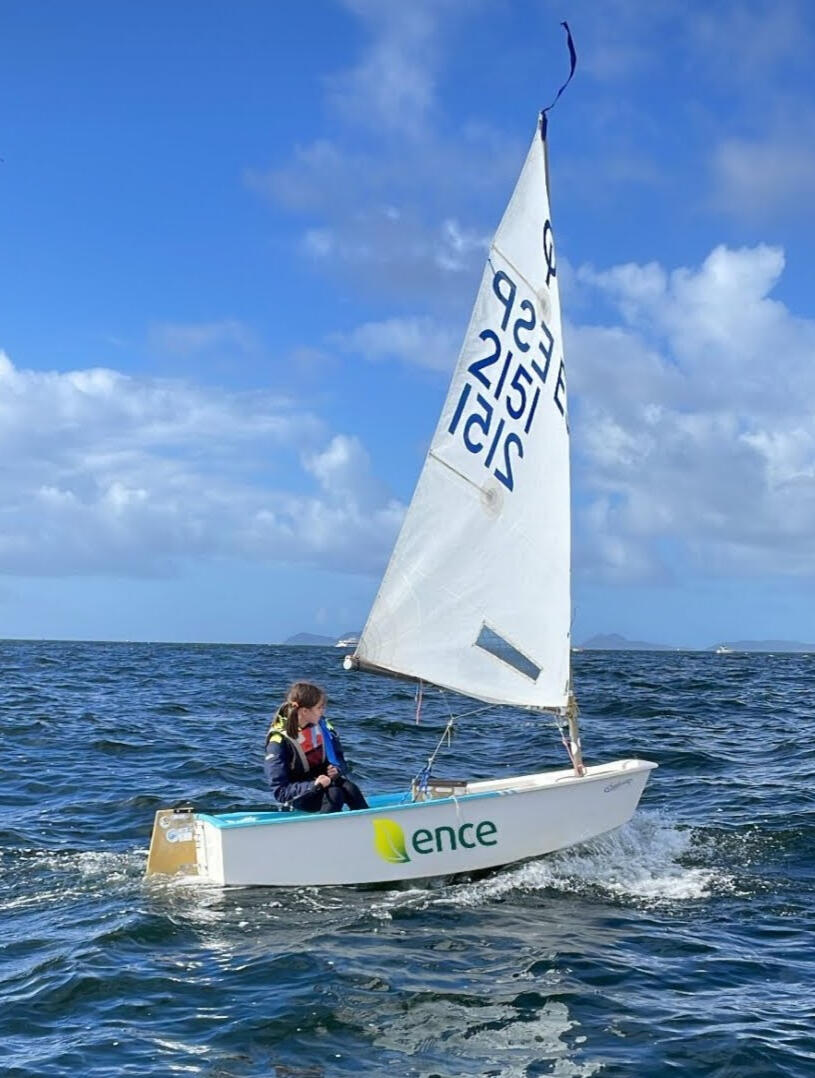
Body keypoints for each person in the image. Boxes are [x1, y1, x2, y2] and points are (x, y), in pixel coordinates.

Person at [264, 681, 369, 813]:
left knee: (350, 789)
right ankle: (325, 831)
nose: (322, 712)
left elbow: (340, 760)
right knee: (335, 794)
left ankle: (368, 824)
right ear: (305, 711)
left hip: (324, 784)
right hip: (300, 795)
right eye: (319, 708)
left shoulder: (323, 728)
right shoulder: (278, 742)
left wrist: (337, 769)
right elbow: (280, 792)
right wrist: (314, 784)